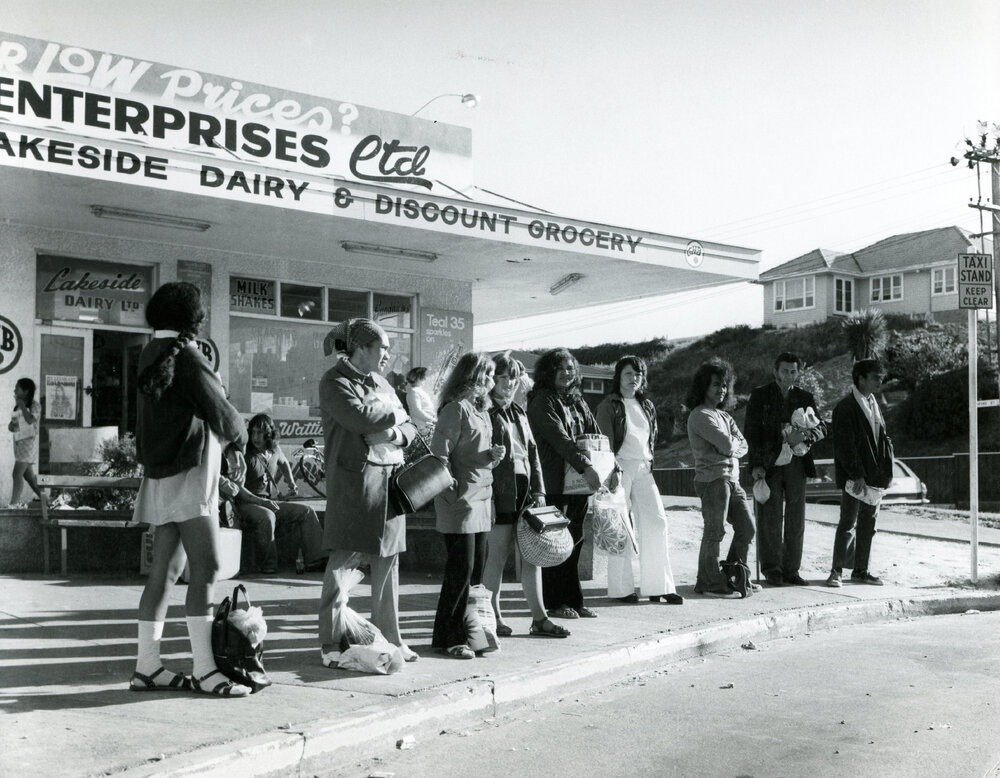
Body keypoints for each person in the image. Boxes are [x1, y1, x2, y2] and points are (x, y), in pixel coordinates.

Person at [130, 281, 251, 696]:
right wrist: (240, 441)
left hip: (161, 477)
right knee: (208, 569)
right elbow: (223, 412)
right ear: (193, 319)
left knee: (165, 574)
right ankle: (205, 671)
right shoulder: (188, 355)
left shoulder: (151, 354)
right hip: (190, 477)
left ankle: (147, 667)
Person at [317, 318, 418, 667]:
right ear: (360, 348)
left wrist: (393, 432)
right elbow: (361, 420)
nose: (389, 354)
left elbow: (411, 428)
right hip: (354, 483)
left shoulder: (380, 381)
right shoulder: (333, 381)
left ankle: (392, 638)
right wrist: (396, 411)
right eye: (383, 348)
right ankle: (330, 642)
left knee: (389, 563)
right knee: (344, 562)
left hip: (389, 481)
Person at [482, 352, 570, 639]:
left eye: (513, 378)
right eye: (503, 377)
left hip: (526, 490)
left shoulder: (519, 412)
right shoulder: (484, 411)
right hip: (500, 490)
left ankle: (539, 618)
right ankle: (492, 616)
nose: (509, 383)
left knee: (532, 555)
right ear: (491, 379)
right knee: (497, 555)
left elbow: (533, 455)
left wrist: (540, 491)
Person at [430, 352, 505, 658]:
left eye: (490, 376)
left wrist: (492, 456)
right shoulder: (455, 409)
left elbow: (472, 453)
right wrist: (450, 489)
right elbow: (439, 454)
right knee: (461, 570)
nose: (488, 381)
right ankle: (451, 637)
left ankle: (470, 633)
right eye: (482, 375)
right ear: (467, 376)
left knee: (475, 574)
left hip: (483, 499)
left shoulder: (482, 411)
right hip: (460, 500)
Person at [596, 356, 682, 605]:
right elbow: (604, 443)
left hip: (644, 469)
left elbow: (650, 440)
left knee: (657, 522)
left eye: (638, 374)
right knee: (620, 527)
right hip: (618, 469)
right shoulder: (608, 405)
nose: (633, 379)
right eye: (628, 374)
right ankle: (622, 590)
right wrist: (609, 473)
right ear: (618, 377)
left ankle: (659, 587)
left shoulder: (647, 405)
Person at [527, 348, 603, 620]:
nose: (566, 373)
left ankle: (574, 599)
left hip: (579, 483)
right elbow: (560, 440)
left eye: (570, 368)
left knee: (576, 541)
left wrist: (610, 465)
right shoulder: (541, 401)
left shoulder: (577, 401)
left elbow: (596, 435)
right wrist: (587, 467)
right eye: (560, 368)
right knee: (555, 544)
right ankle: (555, 603)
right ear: (548, 372)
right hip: (555, 483)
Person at [745, 352, 826, 587]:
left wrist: (804, 436)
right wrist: (757, 465)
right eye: (784, 371)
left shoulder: (805, 397)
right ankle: (772, 569)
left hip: (797, 465)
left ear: (797, 372)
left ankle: (792, 570)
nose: (789, 375)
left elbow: (822, 428)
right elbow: (751, 433)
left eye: (793, 371)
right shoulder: (759, 396)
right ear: (775, 371)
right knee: (769, 517)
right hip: (769, 465)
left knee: (795, 518)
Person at [685, 358, 757, 598]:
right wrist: (729, 446)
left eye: (724, 385)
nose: (721, 389)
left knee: (746, 528)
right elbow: (728, 444)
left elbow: (743, 445)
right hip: (713, 481)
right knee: (715, 531)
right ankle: (709, 581)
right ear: (703, 386)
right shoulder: (699, 415)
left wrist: (729, 446)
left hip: (731, 480)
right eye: (716, 384)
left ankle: (735, 575)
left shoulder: (725, 417)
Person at [826, 358, 894, 588]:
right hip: (856, 477)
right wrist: (857, 474)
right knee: (848, 522)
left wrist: (885, 472)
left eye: (880, 377)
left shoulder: (874, 404)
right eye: (875, 377)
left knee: (868, 525)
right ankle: (836, 571)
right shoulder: (845, 407)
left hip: (875, 477)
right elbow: (844, 445)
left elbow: (882, 440)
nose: (879, 381)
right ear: (861, 378)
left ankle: (861, 570)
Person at [237, 414, 326, 574]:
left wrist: (291, 482)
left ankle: (317, 559)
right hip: (247, 503)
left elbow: (284, 462)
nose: (256, 437)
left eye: (261, 433)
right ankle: (268, 564)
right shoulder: (245, 452)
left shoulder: (274, 450)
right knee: (267, 516)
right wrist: (262, 502)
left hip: (269, 501)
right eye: (253, 432)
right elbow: (239, 488)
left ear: (269, 434)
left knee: (306, 511)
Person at [7, 377, 43, 508]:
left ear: (26, 391)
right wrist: (12, 423)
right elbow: (13, 427)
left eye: (17, 388)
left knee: (16, 474)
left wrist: (21, 406)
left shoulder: (35, 405)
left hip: (28, 445)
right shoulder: (18, 405)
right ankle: (48, 502)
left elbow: (30, 421)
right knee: (30, 479)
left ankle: (13, 504)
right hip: (18, 444)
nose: (14, 390)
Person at [405, 367, 437, 432]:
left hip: (428, 425)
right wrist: (433, 420)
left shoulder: (419, 391)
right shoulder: (413, 392)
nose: (425, 379)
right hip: (421, 426)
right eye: (423, 377)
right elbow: (417, 411)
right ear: (418, 378)